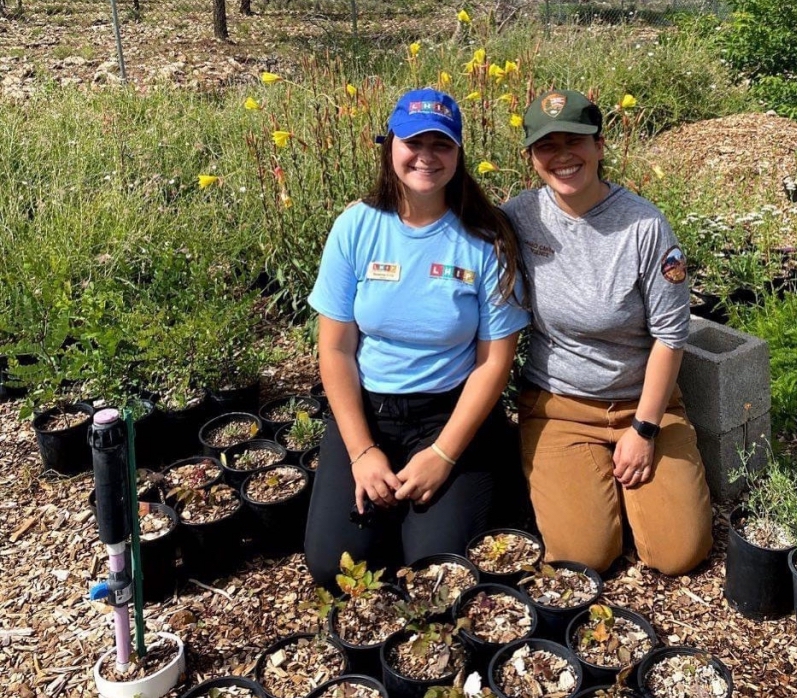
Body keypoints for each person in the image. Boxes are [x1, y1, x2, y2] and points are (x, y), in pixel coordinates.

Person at [303, 88, 529, 585]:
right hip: (371, 411)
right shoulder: (356, 227)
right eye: (413, 142)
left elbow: (494, 362)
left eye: (441, 145)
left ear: (458, 154)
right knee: (333, 567)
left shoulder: (486, 239)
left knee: (436, 572)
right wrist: (362, 452)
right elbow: (336, 350)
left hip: (448, 414)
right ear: (390, 147)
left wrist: (444, 455)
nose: (426, 157)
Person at [502, 90, 713, 576]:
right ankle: (593, 486)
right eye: (546, 145)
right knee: (585, 558)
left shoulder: (643, 226)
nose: (562, 156)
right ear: (531, 158)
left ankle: (631, 484)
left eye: (574, 140)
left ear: (599, 146)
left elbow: (669, 335)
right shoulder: (519, 217)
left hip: (644, 405)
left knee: (678, 555)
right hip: (561, 407)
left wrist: (643, 430)